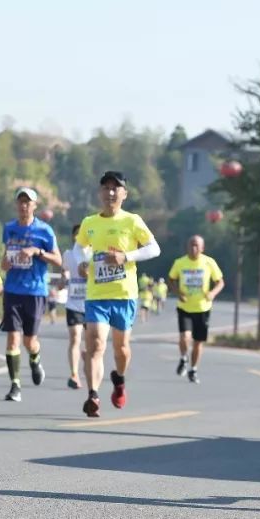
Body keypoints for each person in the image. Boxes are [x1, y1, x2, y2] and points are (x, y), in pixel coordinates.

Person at [72, 171, 160, 416]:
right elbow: (79, 247)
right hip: (97, 294)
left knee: (121, 349)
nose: (110, 192)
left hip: (124, 294)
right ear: (100, 193)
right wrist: (81, 262)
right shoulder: (90, 222)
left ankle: (119, 380)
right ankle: (93, 395)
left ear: (124, 194)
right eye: (106, 188)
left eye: (115, 188)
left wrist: (126, 256)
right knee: (96, 343)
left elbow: (154, 248)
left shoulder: (132, 221)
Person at [0, 187, 61, 402]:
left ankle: (35, 360)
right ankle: (15, 385)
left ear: (35, 206)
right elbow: (4, 258)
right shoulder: (9, 229)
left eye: (28, 202)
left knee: (29, 341)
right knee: (12, 339)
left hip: (35, 290)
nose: (24, 205)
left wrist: (38, 252)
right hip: (13, 289)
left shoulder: (44, 231)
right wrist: (5, 263)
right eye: (21, 201)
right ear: (16, 205)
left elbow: (59, 260)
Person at [167, 235, 224, 384]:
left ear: (202, 248)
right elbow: (171, 280)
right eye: (191, 245)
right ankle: (183, 358)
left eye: (196, 246)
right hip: (185, 307)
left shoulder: (209, 262)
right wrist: (178, 293)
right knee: (185, 337)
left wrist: (212, 293)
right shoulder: (180, 263)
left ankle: (193, 369)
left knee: (198, 342)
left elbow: (220, 282)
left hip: (202, 308)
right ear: (187, 247)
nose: (194, 248)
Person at [60, 223, 88, 389]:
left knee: (91, 344)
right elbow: (64, 270)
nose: (79, 237)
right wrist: (63, 280)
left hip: (91, 305)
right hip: (73, 304)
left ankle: (86, 359)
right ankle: (74, 374)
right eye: (76, 234)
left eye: (82, 234)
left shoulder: (94, 254)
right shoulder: (68, 254)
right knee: (75, 338)